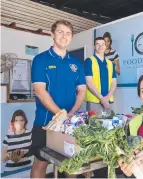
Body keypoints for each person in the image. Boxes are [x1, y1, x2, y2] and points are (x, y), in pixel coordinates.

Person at [30, 20, 86, 178]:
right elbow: (40, 91)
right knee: (40, 163)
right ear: (52, 34)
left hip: (70, 124)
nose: (64, 36)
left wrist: (71, 113)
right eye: (60, 32)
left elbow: (82, 90)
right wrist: (59, 113)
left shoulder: (76, 63)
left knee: (72, 163)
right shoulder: (41, 59)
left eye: (68, 33)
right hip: (45, 122)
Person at [85, 37, 117, 117]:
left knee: (109, 126)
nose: (100, 46)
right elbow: (89, 82)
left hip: (109, 101)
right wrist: (102, 98)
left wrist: (108, 97)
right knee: (95, 126)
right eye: (97, 44)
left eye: (103, 44)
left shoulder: (110, 63)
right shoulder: (89, 61)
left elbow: (114, 82)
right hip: (94, 101)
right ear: (94, 47)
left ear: (105, 46)